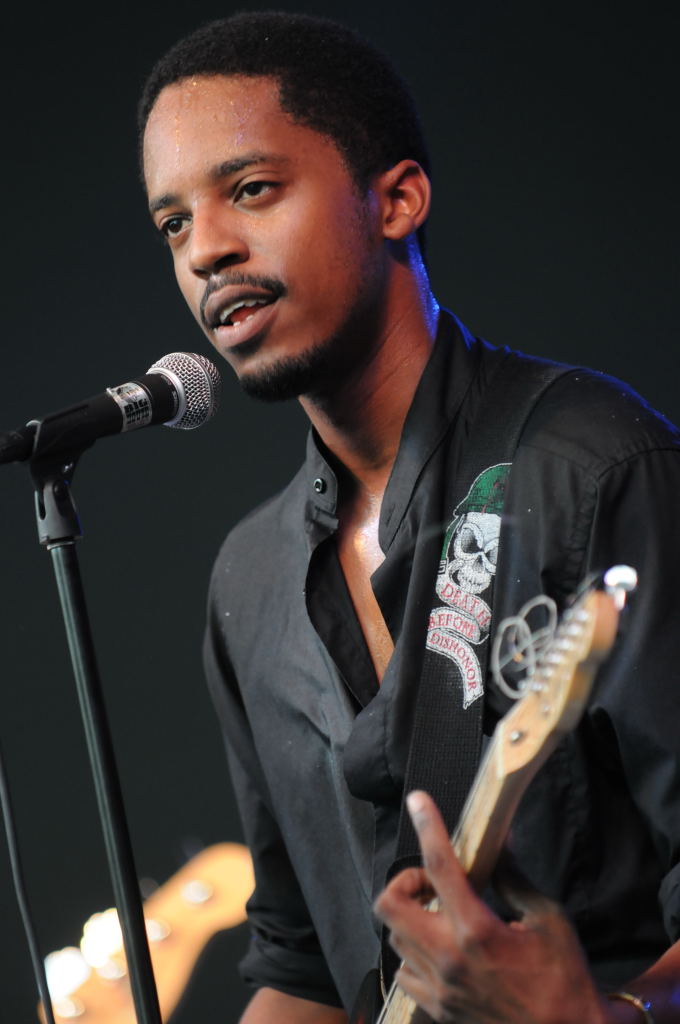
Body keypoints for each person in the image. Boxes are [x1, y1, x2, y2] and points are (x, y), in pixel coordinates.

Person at [138, 12, 680, 1023]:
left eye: (250, 189)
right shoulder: (249, 580)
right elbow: (300, 963)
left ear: (395, 200)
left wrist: (599, 1013)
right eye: (172, 223)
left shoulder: (594, 469)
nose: (206, 249)